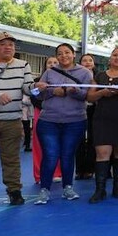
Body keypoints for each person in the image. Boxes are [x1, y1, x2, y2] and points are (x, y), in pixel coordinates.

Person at [34, 43, 93, 204]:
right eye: (59, 53)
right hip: (48, 121)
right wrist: (50, 90)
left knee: (68, 155)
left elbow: (88, 96)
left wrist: (76, 92)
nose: (63, 56)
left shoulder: (85, 73)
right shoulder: (49, 72)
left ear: (74, 54)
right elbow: (38, 95)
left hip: (75, 121)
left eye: (67, 52)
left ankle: (68, 187)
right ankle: (44, 190)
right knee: (50, 155)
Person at [86, 47, 118, 203]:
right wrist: (102, 93)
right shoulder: (99, 76)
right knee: (102, 152)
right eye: (115, 55)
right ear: (110, 58)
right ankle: (99, 189)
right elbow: (90, 96)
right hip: (102, 118)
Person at [0, 31, 34, 205]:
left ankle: (14, 191)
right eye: (3, 44)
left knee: (12, 158)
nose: (8, 47)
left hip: (13, 120)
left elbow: (28, 87)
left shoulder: (23, 65)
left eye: (11, 44)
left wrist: (38, 87)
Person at [31, 56, 62, 184]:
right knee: (39, 145)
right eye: (49, 62)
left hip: (60, 115)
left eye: (55, 62)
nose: (52, 64)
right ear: (45, 65)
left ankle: (57, 172)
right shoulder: (37, 81)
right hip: (41, 114)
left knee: (58, 145)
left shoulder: (64, 81)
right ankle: (39, 175)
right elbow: (34, 97)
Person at [75, 53, 97, 181]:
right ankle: (79, 170)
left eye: (90, 60)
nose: (87, 62)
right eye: (84, 60)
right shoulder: (75, 76)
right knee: (79, 140)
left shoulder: (98, 77)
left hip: (94, 110)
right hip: (78, 110)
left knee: (93, 140)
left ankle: (90, 169)